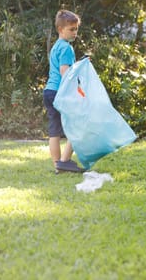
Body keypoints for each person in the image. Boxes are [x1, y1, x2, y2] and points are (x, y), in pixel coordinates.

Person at [43, 10, 85, 173]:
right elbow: (65, 72)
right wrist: (78, 89)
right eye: (71, 29)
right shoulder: (67, 48)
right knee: (78, 124)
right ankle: (65, 160)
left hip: (49, 91)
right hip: (60, 92)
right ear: (61, 29)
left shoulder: (56, 47)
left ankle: (58, 166)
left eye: (76, 29)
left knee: (54, 130)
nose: (75, 32)